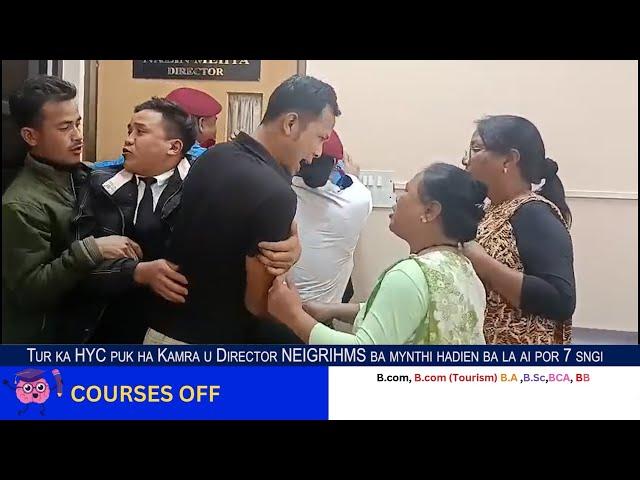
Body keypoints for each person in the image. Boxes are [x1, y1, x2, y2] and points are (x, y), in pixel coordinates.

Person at [145, 74, 340, 345]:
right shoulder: (275, 193)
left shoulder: (214, 156)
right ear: (290, 123)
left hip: (160, 331)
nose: (318, 152)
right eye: (319, 137)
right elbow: (260, 304)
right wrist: (289, 267)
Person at [267, 163, 487, 345]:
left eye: (406, 192)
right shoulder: (463, 269)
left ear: (430, 211)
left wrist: (293, 316)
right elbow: (402, 312)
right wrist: (333, 310)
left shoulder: (411, 275)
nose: (397, 198)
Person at [2, 75, 137, 343]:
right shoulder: (20, 205)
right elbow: (30, 292)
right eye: (65, 128)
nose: (78, 136)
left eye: (77, 123)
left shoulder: (86, 175)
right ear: (30, 136)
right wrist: (92, 250)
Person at [461, 115, 576, 344]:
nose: (465, 160)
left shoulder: (534, 213)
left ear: (509, 159)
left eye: (476, 149)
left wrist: (482, 262)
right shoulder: (491, 208)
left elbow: (561, 300)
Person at [290, 130, 372, 304]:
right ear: (336, 165)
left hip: (279, 308)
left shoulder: (279, 195)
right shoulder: (359, 200)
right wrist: (353, 175)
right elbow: (352, 183)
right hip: (326, 313)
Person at [91, 87, 222, 169]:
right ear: (201, 123)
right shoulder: (211, 161)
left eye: (140, 131)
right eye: (214, 123)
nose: (129, 140)